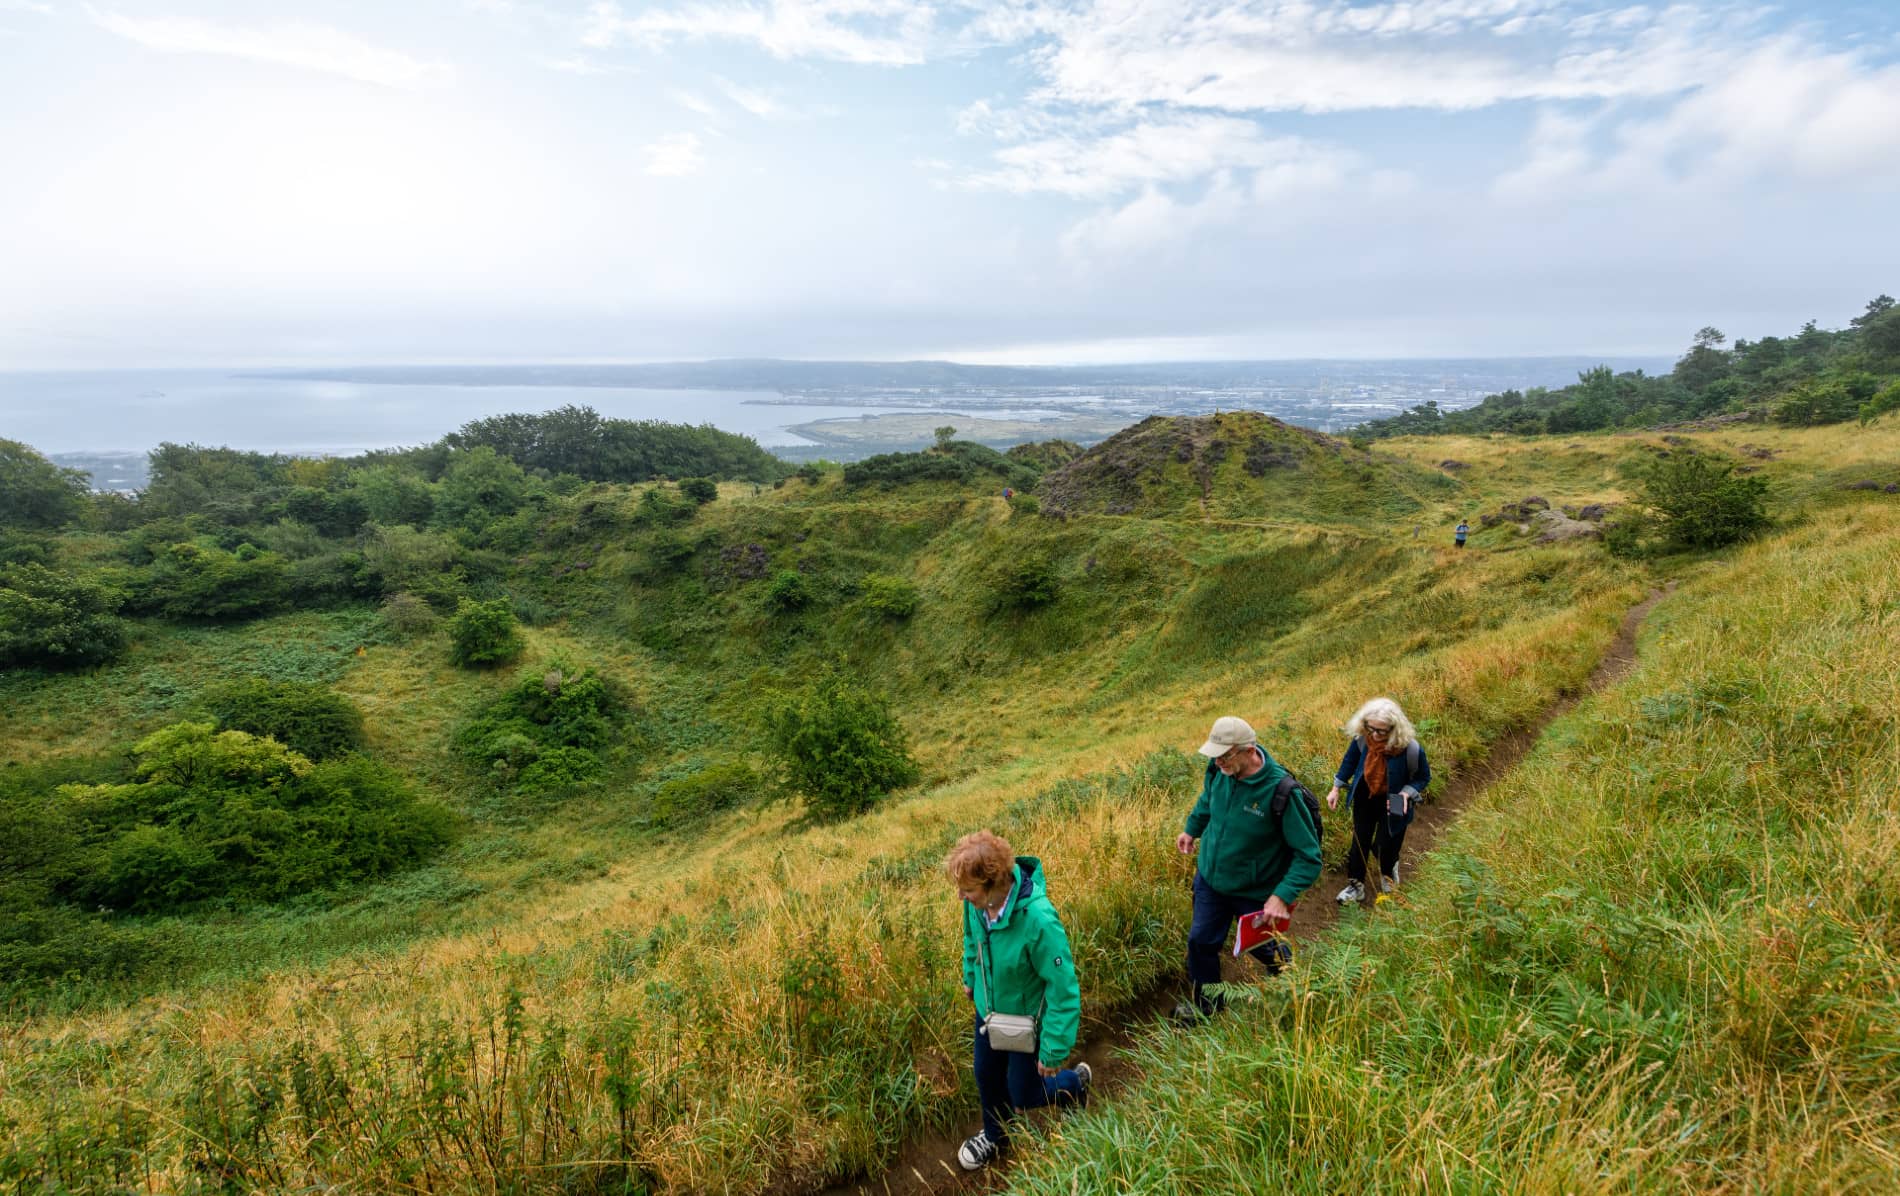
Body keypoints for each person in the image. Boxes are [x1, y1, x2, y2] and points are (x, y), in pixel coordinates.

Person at [947, 830, 1091, 1172]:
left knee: (1023, 1093)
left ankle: (1074, 1085)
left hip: (1027, 1023)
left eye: (967, 890)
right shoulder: (977, 908)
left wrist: (1054, 1047)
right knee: (987, 1078)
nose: (960, 897)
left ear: (992, 883)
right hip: (989, 1014)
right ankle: (996, 1138)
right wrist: (971, 978)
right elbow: (973, 942)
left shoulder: (1039, 919)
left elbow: (1062, 987)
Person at [1174, 716, 1322, 1021]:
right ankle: (1207, 1008)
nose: (1218, 763)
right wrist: (1191, 830)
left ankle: (1294, 998)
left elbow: (1309, 856)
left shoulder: (1281, 792)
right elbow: (1207, 802)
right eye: (1215, 756)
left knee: (1270, 951)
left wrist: (1281, 896)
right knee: (1200, 942)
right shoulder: (1219, 772)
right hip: (1211, 883)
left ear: (1248, 750)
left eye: (1225, 756)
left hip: (1254, 894)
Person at [1326, 698, 1432, 904]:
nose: (1374, 734)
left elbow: (1422, 777)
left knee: (1387, 843)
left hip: (1396, 798)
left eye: (1381, 731)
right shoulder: (1362, 739)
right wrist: (1335, 788)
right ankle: (1355, 886)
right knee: (1360, 842)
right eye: (1370, 727)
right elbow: (1349, 762)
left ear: (1394, 729)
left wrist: (1406, 794)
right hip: (1365, 795)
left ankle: (1388, 877)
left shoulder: (1410, 749)